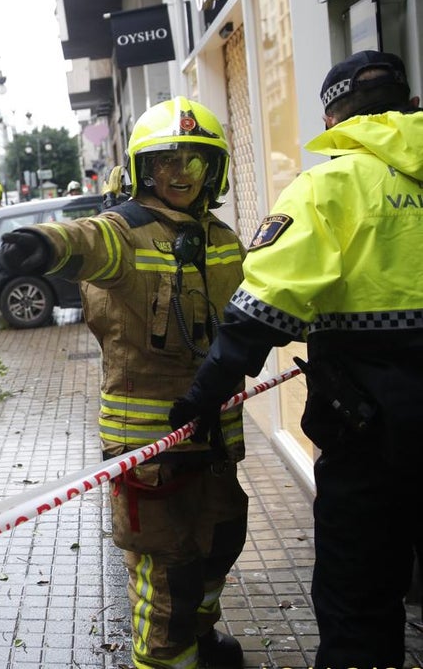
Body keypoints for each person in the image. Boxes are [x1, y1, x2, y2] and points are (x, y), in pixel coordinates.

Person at [170, 50, 423, 669]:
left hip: (373, 439)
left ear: (334, 117)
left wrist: (203, 400)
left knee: (358, 598)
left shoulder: (329, 187)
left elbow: (261, 313)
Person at [0, 96, 248, 669]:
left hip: (213, 439)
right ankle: (164, 661)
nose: (181, 174)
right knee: (169, 567)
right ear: (143, 169)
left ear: (215, 170)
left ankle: (199, 640)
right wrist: (45, 243)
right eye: (166, 162)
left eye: (195, 161)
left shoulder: (224, 239)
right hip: (150, 450)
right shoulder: (125, 233)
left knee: (220, 542)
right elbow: (86, 239)